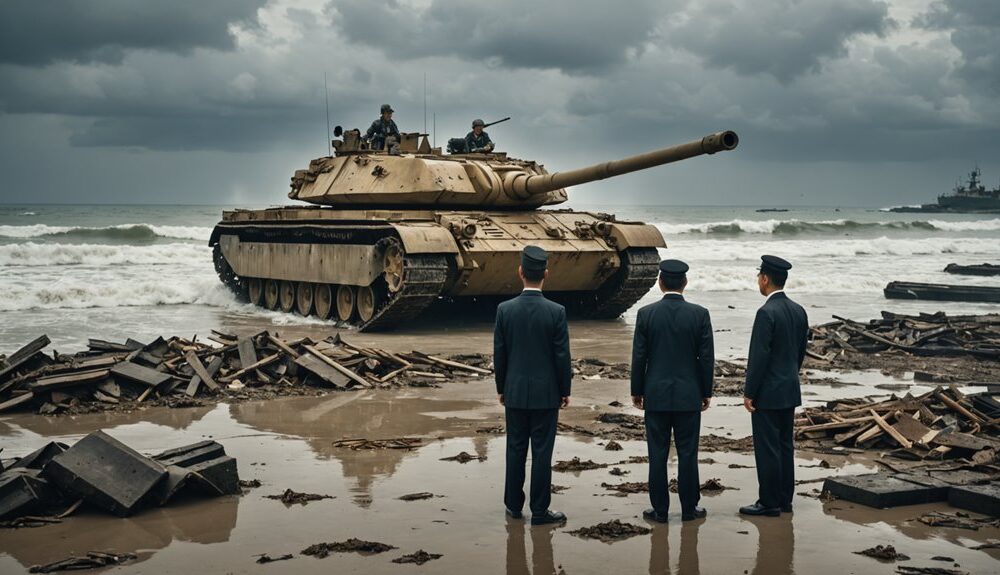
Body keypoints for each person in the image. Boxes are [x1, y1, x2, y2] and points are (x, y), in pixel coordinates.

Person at [631, 259, 714, 523]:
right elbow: (706, 358)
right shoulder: (700, 314)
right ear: (685, 283)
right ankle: (689, 509)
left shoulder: (646, 314)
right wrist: (705, 391)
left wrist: (637, 390)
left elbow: (639, 357)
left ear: (660, 283)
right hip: (689, 395)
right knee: (688, 453)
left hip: (655, 394)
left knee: (657, 453)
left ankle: (660, 510)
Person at [494, 245, 571, 526]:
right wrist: (565, 390)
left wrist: (501, 387)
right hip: (546, 393)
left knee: (515, 449)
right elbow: (562, 356)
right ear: (546, 274)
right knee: (542, 452)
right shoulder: (556, 312)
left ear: (520, 272)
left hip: (514, 391)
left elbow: (500, 354)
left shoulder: (505, 310)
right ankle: (540, 511)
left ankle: (513, 506)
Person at [739, 255, 809, 517]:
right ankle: (785, 500)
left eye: (759, 276)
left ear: (765, 278)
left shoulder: (766, 312)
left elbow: (759, 357)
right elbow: (800, 353)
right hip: (789, 388)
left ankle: (768, 502)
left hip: (767, 392)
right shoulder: (798, 310)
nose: (758, 281)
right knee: (785, 446)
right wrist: (789, 375)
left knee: (767, 448)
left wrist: (749, 392)